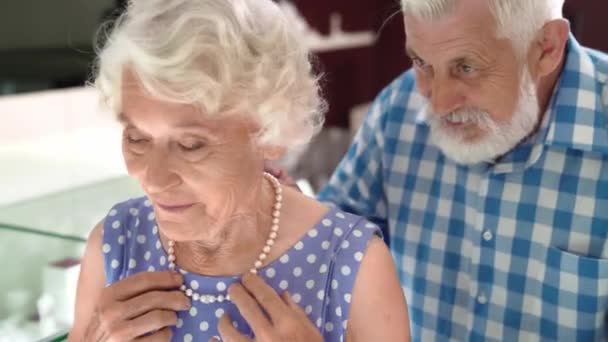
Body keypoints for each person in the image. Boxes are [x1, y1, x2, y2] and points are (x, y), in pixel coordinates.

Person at [68, 0, 409, 341]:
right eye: (137, 138)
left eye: (191, 145)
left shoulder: (353, 264)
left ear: (269, 135)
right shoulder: (114, 244)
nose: (154, 179)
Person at [310, 0, 608, 341]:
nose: (437, 104)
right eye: (421, 63)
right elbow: (328, 246)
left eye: (466, 68)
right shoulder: (398, 109)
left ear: (546, 48)